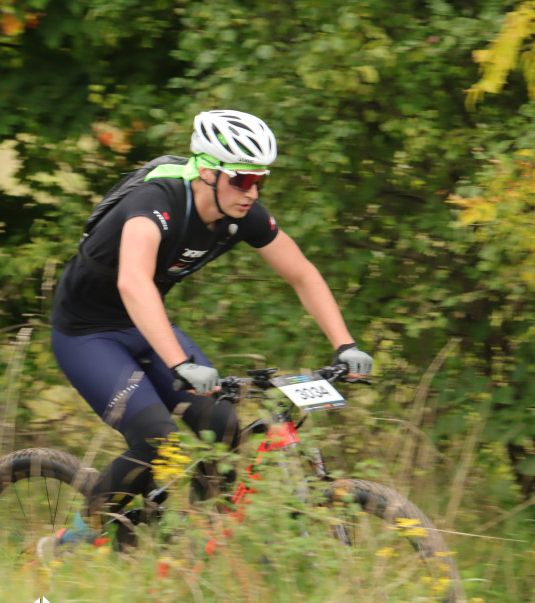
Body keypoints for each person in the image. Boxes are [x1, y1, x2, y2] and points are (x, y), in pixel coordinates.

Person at [46, 110, 372, 548]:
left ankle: (192, 549)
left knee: (222, 427)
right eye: (241, 180)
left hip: (146, 323)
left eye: (261, 181)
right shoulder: (154, 203)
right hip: (87, 333)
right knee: (156, 439)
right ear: (206, 171)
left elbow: (302, 274)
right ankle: (76, 539)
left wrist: (345, 344)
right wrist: (179, 362)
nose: (252, 193)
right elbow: (133, 280)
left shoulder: (241, 213)